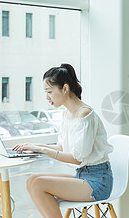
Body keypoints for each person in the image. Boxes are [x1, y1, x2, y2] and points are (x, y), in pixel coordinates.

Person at [12, 63, 114, 218]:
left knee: (39, 184)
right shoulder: (67, 114)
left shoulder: (84, 115)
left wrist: (43, 150)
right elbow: (61, 147)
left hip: (98, 182)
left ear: (65, 89)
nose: (47, 97)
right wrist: (32, 146)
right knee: (32, 180)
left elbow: (75, 158)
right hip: (82, 175)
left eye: (49, 91)